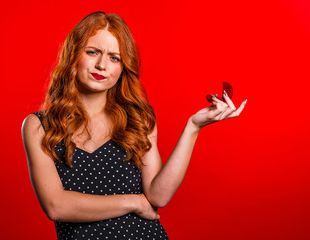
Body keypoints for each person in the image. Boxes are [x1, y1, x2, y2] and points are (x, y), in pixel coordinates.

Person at [21, 11, 247, 240]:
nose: (101, 65)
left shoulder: (138, 119)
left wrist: (193, 126)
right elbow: (56, 206)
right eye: (92, 52)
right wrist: (133, 202)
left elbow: (158, 197)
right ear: (73, 55)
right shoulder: (39, 126)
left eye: (114, 58)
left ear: (123, 67)